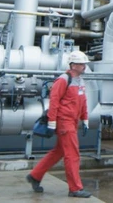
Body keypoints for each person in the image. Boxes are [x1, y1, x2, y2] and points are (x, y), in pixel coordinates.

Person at [26, 51, 92, 198]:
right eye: (81, 64)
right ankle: (75, 188)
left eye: (84, 64)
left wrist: (85, 118)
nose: (84, 67)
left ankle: (35, 176)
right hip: (65, 122)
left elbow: (83, 101)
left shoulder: (80, 81)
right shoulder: (63, 80)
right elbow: (54, 101)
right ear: (73, 65)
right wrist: (52, 122)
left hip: (72, 121)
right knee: (72, 155)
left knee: (59, 152)